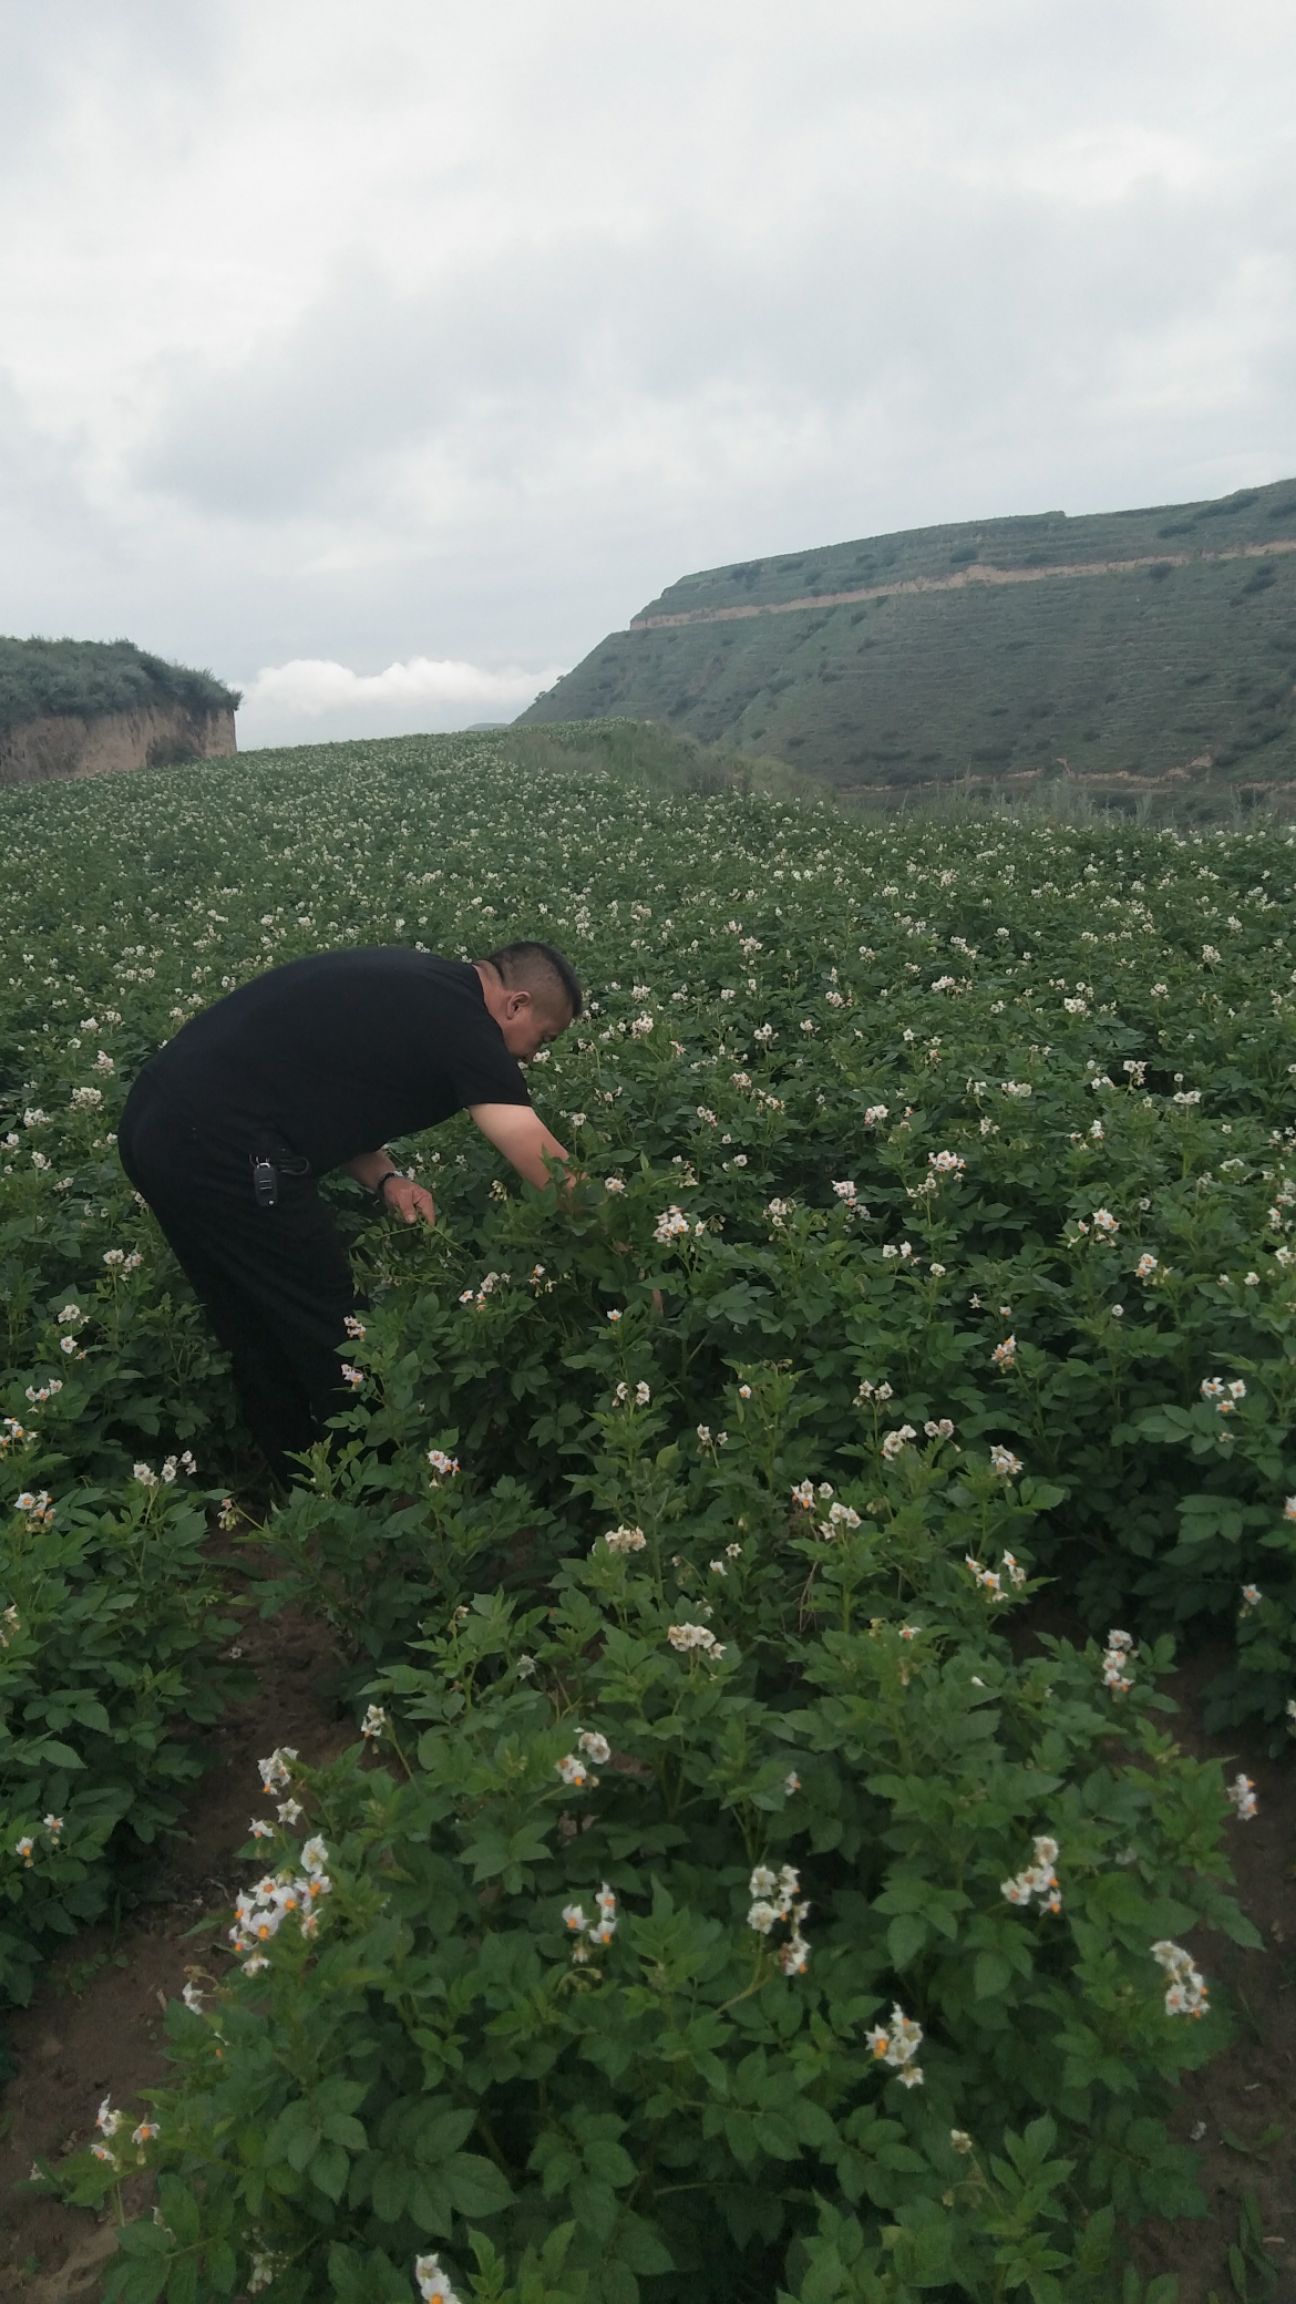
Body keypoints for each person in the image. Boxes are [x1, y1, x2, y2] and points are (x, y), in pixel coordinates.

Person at [117, 940, 580, 1487]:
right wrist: (632, 1243)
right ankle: (368, 1492)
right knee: (331, 1324)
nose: (531, 1057)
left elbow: (320, 1084)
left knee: (253, 1319)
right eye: (543, 1038)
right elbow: (533, 1147)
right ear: (516, 1004)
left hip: (159, 1124)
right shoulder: (465, 1022)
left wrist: (386, 1178)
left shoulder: (422, 984)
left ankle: (303, 1488)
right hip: (218, 1143)